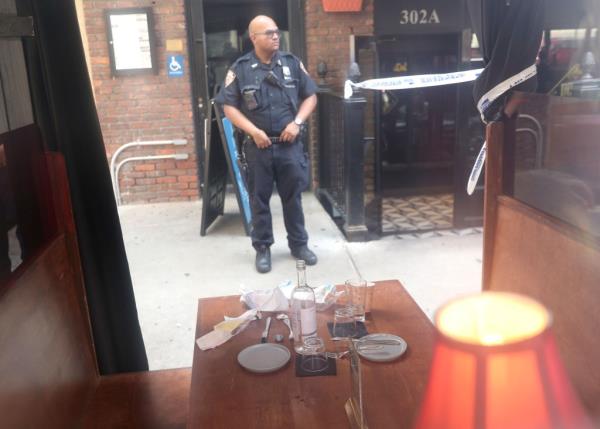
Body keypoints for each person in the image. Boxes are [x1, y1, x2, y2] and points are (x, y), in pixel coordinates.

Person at [216, 15, 318, 273]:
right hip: (258, 147)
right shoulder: (239, 68)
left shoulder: (292, 64)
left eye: (276, 32)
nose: (276, 36)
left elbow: (311, 97)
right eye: (269, 32)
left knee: (292, 198)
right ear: (254, 38)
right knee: (258, 200)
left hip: (289, 146)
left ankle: (299, 245)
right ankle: (262, 248)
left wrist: (297, 122)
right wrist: (253, 131)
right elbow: (229, 107)